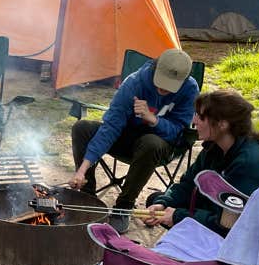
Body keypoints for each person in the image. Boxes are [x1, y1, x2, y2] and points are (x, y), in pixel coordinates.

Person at [69, 48, 198, 233]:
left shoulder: (189, 89)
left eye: (170, 86)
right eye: (161, 82)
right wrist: (83, 168)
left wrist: (153, 120)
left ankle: (123, 207)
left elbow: (178, 132)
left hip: (160, 146)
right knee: (82, 128)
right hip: (128, 138)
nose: (163, 89)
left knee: (151, 143)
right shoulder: (135, 83)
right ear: (155, 69)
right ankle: (87, 196)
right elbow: (112, 126)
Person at [144, 90, 259, 235]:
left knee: (175, 215)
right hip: (222, 213)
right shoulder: (214, 147)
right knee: (155, 201)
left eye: (201, 117)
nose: (194, 121)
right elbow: (188, 184)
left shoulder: (249, 163)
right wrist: (164, 203)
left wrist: (178, 216)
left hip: (253, 232)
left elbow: (227, 225)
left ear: (222, 124)